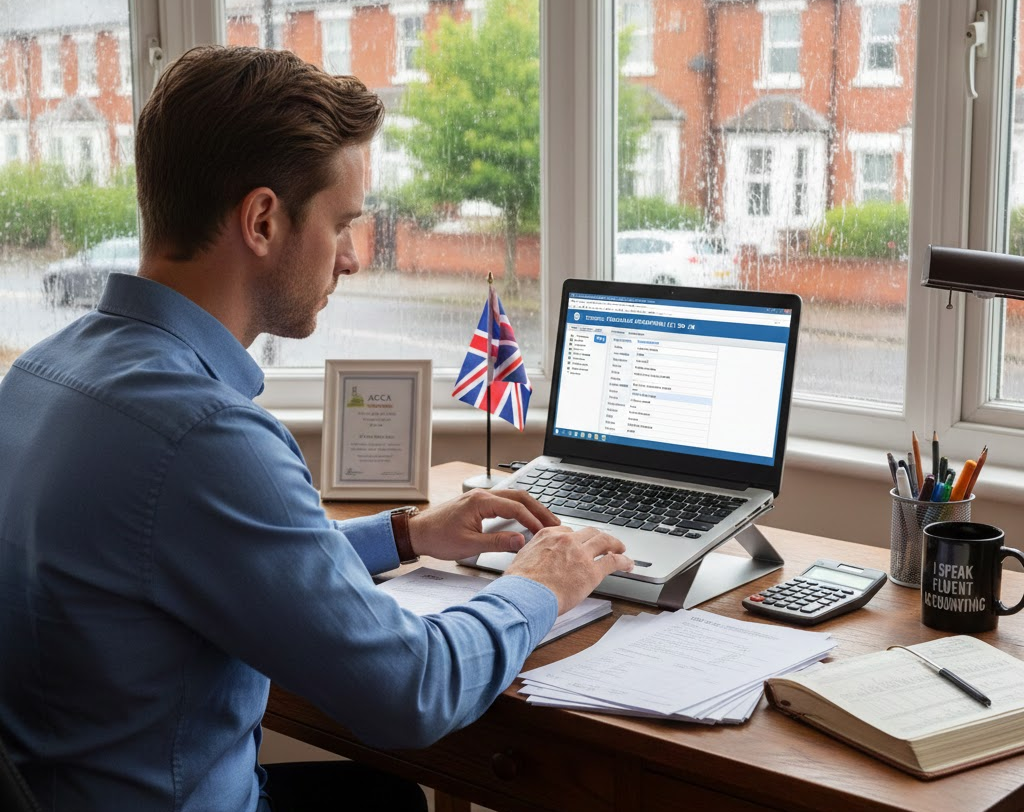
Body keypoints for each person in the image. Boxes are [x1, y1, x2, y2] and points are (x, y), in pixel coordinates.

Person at [0, 45, 632, 812]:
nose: (355, 259)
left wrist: (403, 535)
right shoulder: (204, 435)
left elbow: (199, 554)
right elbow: (411, 691)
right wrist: (538, 586)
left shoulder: (43, 374)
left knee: (382, 798)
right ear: (263, 220)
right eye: (342, 224)